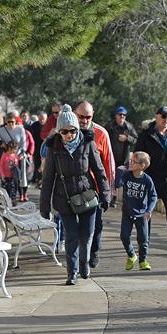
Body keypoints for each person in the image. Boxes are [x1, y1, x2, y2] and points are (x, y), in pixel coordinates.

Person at [40, 104, 110, 285]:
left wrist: (106, 194)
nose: (68, 135)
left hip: (86, 195)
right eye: (64, 132)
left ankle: (84, 262)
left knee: (87, 235)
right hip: (64, 198)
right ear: (59, 132)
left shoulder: (88, 143)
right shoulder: (54, 148)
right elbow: (47, 179)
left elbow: (99, 170)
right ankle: (72, 272)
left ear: (77, 129)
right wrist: (44, 206)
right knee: (71, 236)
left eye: (72, 130)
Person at [135, 106, 167, 255]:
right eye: (163, 116)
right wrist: (140, 176)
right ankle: (145, 244)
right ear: (156, 117)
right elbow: (138, 155)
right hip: (151, 179)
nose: (166, 120)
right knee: (147, 212)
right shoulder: (145, 135)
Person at [75, 101, 115, 270]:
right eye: (81, 117)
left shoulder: (101, 134)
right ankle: (77, 258)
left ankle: (94, 253)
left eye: (88, 117)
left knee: (95, 225)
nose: (84, 120)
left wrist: (108, 191)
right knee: (74, 227)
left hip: (95, 190)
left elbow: (108, 164)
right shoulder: (67, 131)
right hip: (73, 189)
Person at [120, 151, 158, 271]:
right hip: (127, 212)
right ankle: (132, 255)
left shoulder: (147, 180)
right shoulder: (127, 175)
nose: (131, 163)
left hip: (142, 214)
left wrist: (149, 210)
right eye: (130, 161)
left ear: (142, 165)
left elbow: (153, 196)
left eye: (134, 162)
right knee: (124, 236)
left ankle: (143, 261)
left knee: (143, 239)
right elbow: (118, 181)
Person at [107, 105, 138, 205]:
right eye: (120, 115)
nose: (122, 117)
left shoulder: (129, 127)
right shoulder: (110, 126)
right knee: (111, 178)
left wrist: (127, 138)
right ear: (116, 116)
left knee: (121, 180)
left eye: (124, 115)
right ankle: (112, 199)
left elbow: (136, 139)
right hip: (111, 157)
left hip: (123, 159)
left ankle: (125, 199)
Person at [29, 111, 46, 185]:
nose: (41, 120)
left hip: (46, 148)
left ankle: (43, 179)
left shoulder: (48, 125)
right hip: (36, 148)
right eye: (40, 119)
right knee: (37, 164)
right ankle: (37, 178)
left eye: (43, 119)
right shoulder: (34, 125)